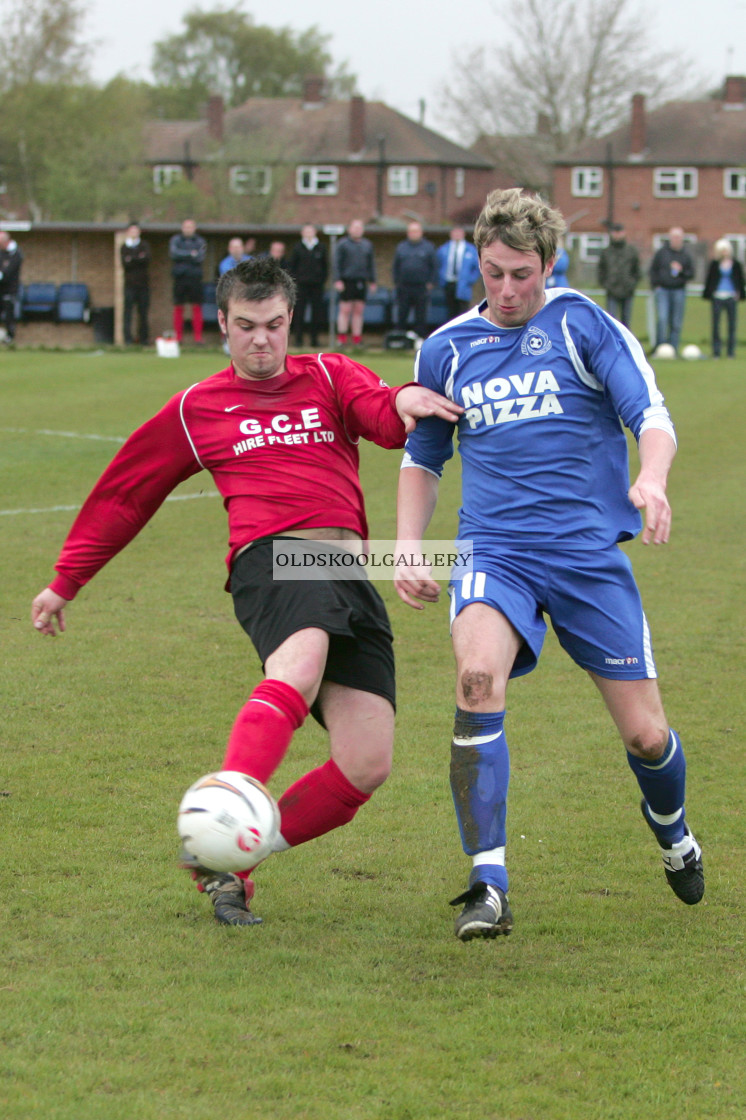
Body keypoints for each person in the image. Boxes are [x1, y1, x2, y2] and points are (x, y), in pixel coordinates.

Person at [31, 256, 462, 929]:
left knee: (366, 763)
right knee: (302, 658)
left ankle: (230, 859)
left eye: (274, 325)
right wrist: (67, 580)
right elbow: (127, 493)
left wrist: (404, 397)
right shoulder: (197, 407)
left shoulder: (327, 373)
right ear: (222, 326)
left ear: (290, 321)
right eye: (246, 327)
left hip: (348, 570)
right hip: (272, 558)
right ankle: (224, 806)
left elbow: (380, 416)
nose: (262, 340)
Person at [395, 187, 704, 943]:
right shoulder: (446, 348)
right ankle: (488, 884)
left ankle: (673, 830)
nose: (506, 290)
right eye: (493, 273)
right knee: (475, 681)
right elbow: (423, 458)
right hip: (494, 553)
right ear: (478, 262)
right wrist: (407, 541)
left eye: (521, 275)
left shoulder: (584, 326)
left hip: (586, 558)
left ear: (550, 264)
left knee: (645, 738)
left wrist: (651, 478)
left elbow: (650, 416)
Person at [649, 227, 694, 354]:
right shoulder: (662, 253)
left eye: (678, 237)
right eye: (674, 237)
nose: (676, 240)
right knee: (662, 319)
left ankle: (673, 349)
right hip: (663, 290)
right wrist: (655, 285)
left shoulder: (685, 255)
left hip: (679, 291)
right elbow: (653, 270)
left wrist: (681, 271)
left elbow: (691, 273)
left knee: (676, 321)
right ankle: (660, 348)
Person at [333, 219, 377, 350]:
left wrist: (372, 281)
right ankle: (341, 339)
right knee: (345, 310)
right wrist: (337, 280)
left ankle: (357, 340)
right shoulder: (342, 244)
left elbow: (371, 264)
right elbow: (336, 263)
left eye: (360, 228)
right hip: (347, 281)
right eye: (355, 228)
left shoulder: (367, 245)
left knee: (359, 310)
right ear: (349, 229)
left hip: (361, 281)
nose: (357, 230)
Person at [392, 220, 439, 341]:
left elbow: (434, 266)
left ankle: (420, 339)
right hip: (404, 287)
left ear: (421, 232)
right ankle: (400, 339)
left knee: (420, 315)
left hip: (421, 287)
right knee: (402, 313)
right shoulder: (401, 247)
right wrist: (396, 281)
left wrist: (431, 283)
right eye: (411, 231)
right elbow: (395, 266)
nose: (413, 233)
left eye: (416, 231)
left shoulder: (428, 247)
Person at [287, 223, 328, 348]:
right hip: (301, 285)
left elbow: (325, 266)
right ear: (302, 233)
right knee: (299, 313)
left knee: (317, 313)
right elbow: (292, 266)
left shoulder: (321, 247)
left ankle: (314, 340)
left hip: (317, 285)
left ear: (314, 232)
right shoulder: (298, 247)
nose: (309, 233)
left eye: (311, 231)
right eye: (306, 231)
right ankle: (298, 340)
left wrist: (321, 280)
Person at [702, 238, 744, 358]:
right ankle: (716, 351)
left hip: (731, 297)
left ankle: (731, 352)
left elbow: (740, 280)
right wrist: (710, 293)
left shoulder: (736, 264)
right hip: (717, 297)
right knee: (716, 325)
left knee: (732, 325)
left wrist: (739, 293)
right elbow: (710, 280)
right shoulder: (715, 264)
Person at [169, 218, 207, 344]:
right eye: (186, 227)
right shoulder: (176, 240)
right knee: (178, 307)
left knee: (196, 307)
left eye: (190, 227)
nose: (188, 229)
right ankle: (178, 338)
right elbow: (174, 254)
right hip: (179, 278)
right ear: (182, 228)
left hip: (195, 278)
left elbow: (200, 257)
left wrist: (184, 256)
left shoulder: (200, 241)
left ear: (194, 228)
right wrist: (191, 254)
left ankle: (198, 338)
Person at [597, 224, 641, 328]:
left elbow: (637, 270)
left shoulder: (631, 251)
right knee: (611, 321)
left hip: (627, 291)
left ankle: (625, 343)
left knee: (626, 322)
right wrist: (606, 284)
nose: (617, 235)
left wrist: (632, 284)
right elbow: (601, 270)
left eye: (619, 232)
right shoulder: (606, 252)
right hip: (611, 291)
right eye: (615, 232)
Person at [436, 226, 481, 320]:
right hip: (448, 284)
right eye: (454, 233)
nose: (456, 235)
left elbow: (477, 267)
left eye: (459, 233)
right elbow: (437, 265)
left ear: (463, 234)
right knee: (449, 310)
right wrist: (441, 278)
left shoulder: (470, 250)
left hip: (463, 285)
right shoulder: (443, 249)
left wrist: (470, 280)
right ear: (451, 234)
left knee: (463, 311)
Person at [120, 223, 151, 346]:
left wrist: (132, 259)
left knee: (143, 313)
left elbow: (146, 260)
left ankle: (143, 339)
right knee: (127, 313)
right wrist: (138, 258)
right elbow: (125, 263)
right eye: (131, 231)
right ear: (128, 232)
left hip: (143, 285)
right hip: (129, 285)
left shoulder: (145, 245)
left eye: (136, 231)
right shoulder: (124, 247)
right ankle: (127, 339)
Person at [0, 229, 23, 345]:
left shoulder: (16, 253)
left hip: (10, 290)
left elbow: (7, 272)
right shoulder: (1, 252)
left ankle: (10, 339)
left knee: (9, 315)